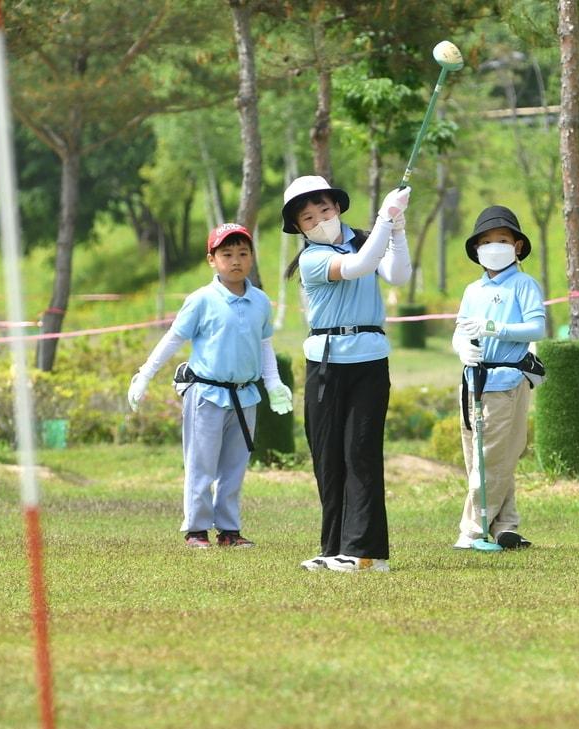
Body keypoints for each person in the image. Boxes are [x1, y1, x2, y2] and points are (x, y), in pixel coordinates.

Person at [127, 222, 293, 549]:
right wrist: (145, 374)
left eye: (243, 253)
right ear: (211, 260)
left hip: (245, 395)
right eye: (227, 254)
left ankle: (229, 531)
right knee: (201, 465)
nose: (236, 260)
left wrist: (273, 384)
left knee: (234, 467)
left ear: (252, 258)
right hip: (207, 394)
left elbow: (264, 346)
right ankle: (196, 529)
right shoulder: (202, 300)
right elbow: (174, 339)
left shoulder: (260, 301)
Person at [281, 175, 411, 573]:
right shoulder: (312, 258)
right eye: (308, 218)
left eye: (324, 210)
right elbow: (357, 267)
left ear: (337, 208)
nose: (319, 220)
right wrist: (385, 222)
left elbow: (397, 273)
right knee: (328, 458)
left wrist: (397, 229)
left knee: (361, 454)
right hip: (324, 363)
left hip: (368, 362)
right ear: (300, 229)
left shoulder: (364, 238)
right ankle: (334, 547)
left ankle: (366, 553)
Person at [451, 205, 546, 551]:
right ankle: (506, 523)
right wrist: (463, 347)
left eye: (502, 239)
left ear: (517, 246)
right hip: (472, 380)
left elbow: (536, 327)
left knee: (492, 457)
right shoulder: (472, 290)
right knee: (482, 456)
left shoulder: (523, 284)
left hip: (505, 382)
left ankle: (473, 529)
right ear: (476, 249)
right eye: (487, 241)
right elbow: (459, 330)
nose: (494, 246)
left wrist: (494, 328)